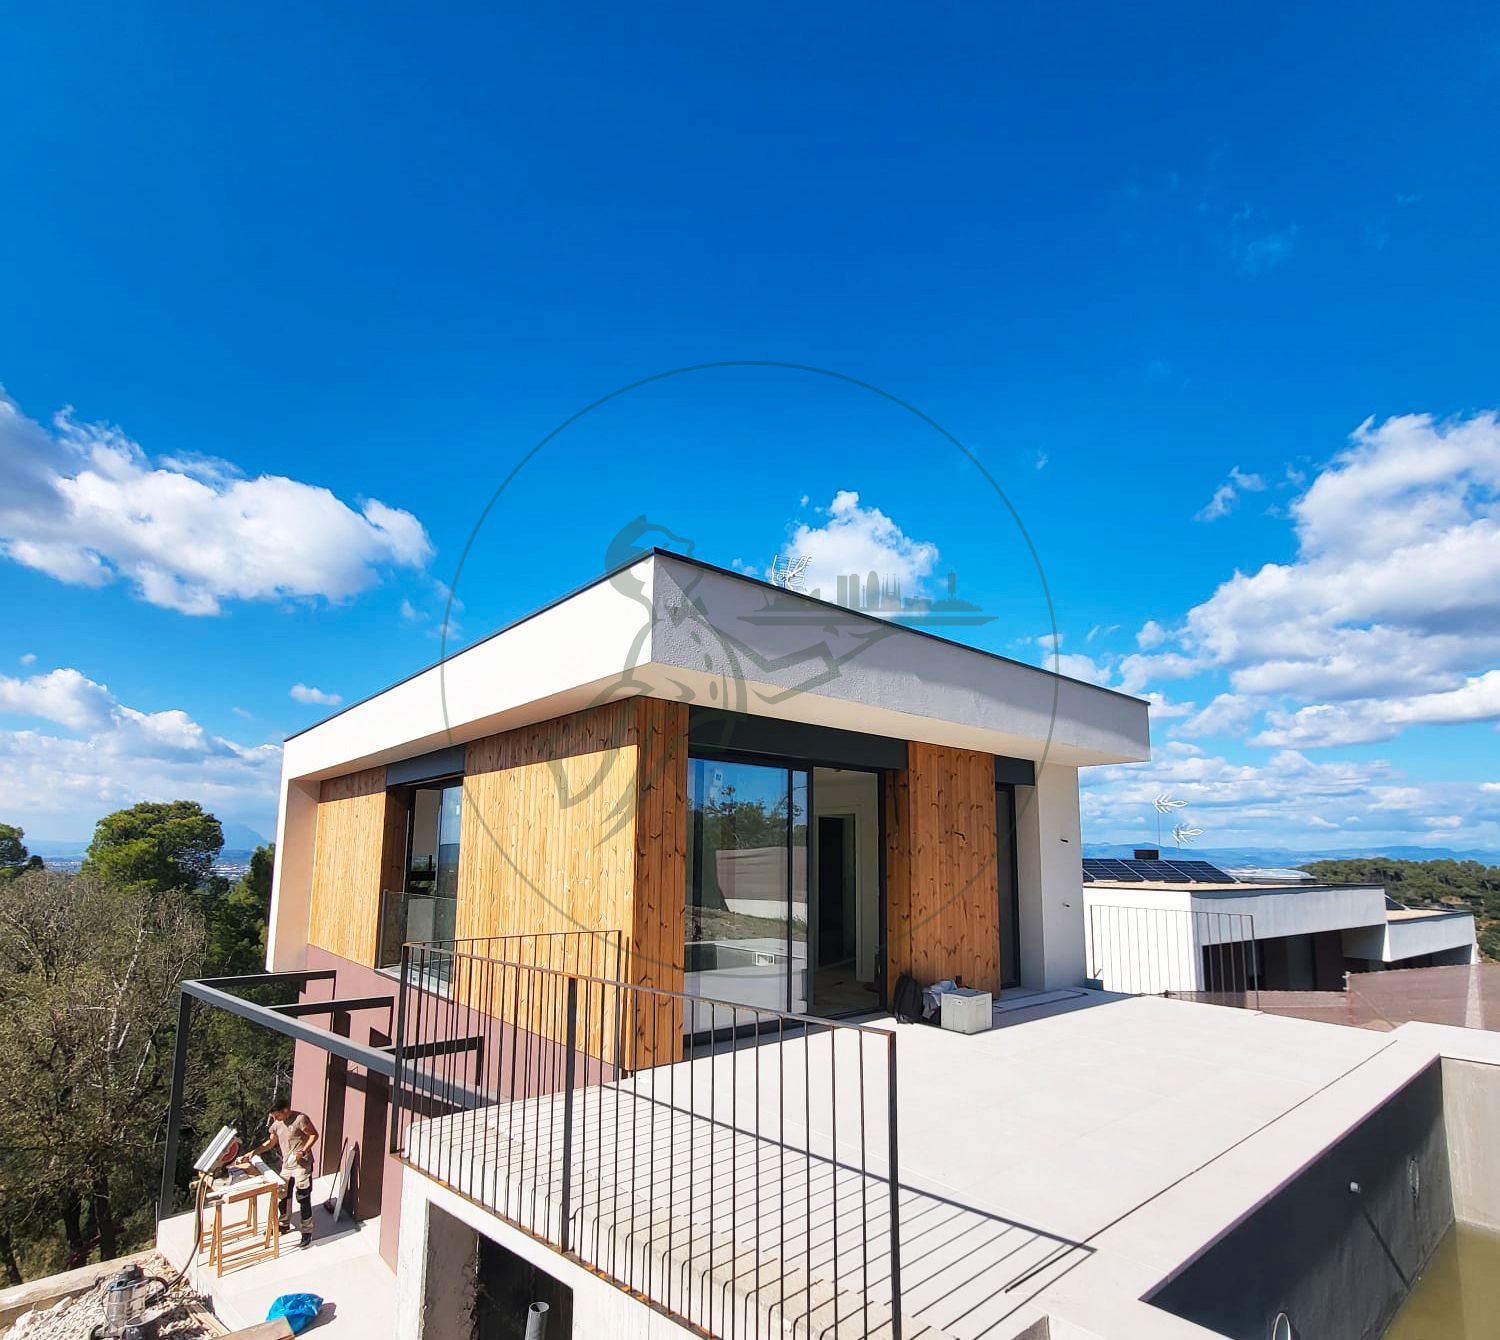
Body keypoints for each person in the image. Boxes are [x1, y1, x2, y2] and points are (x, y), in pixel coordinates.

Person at [239, 1097, 319, 1247]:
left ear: (285, 1110)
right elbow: (271, 1142)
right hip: (287, 1165)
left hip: (301, 1163)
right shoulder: (276, 1125)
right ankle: (283, 1223)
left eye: (277, 1115)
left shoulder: (300, 1119)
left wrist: (303, 1151)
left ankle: (307, 1231)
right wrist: (253, 1152)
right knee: (283, 1192)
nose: (275, 1119)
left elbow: (314, 1135)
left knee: (303, 1196)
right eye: (273, 1117)